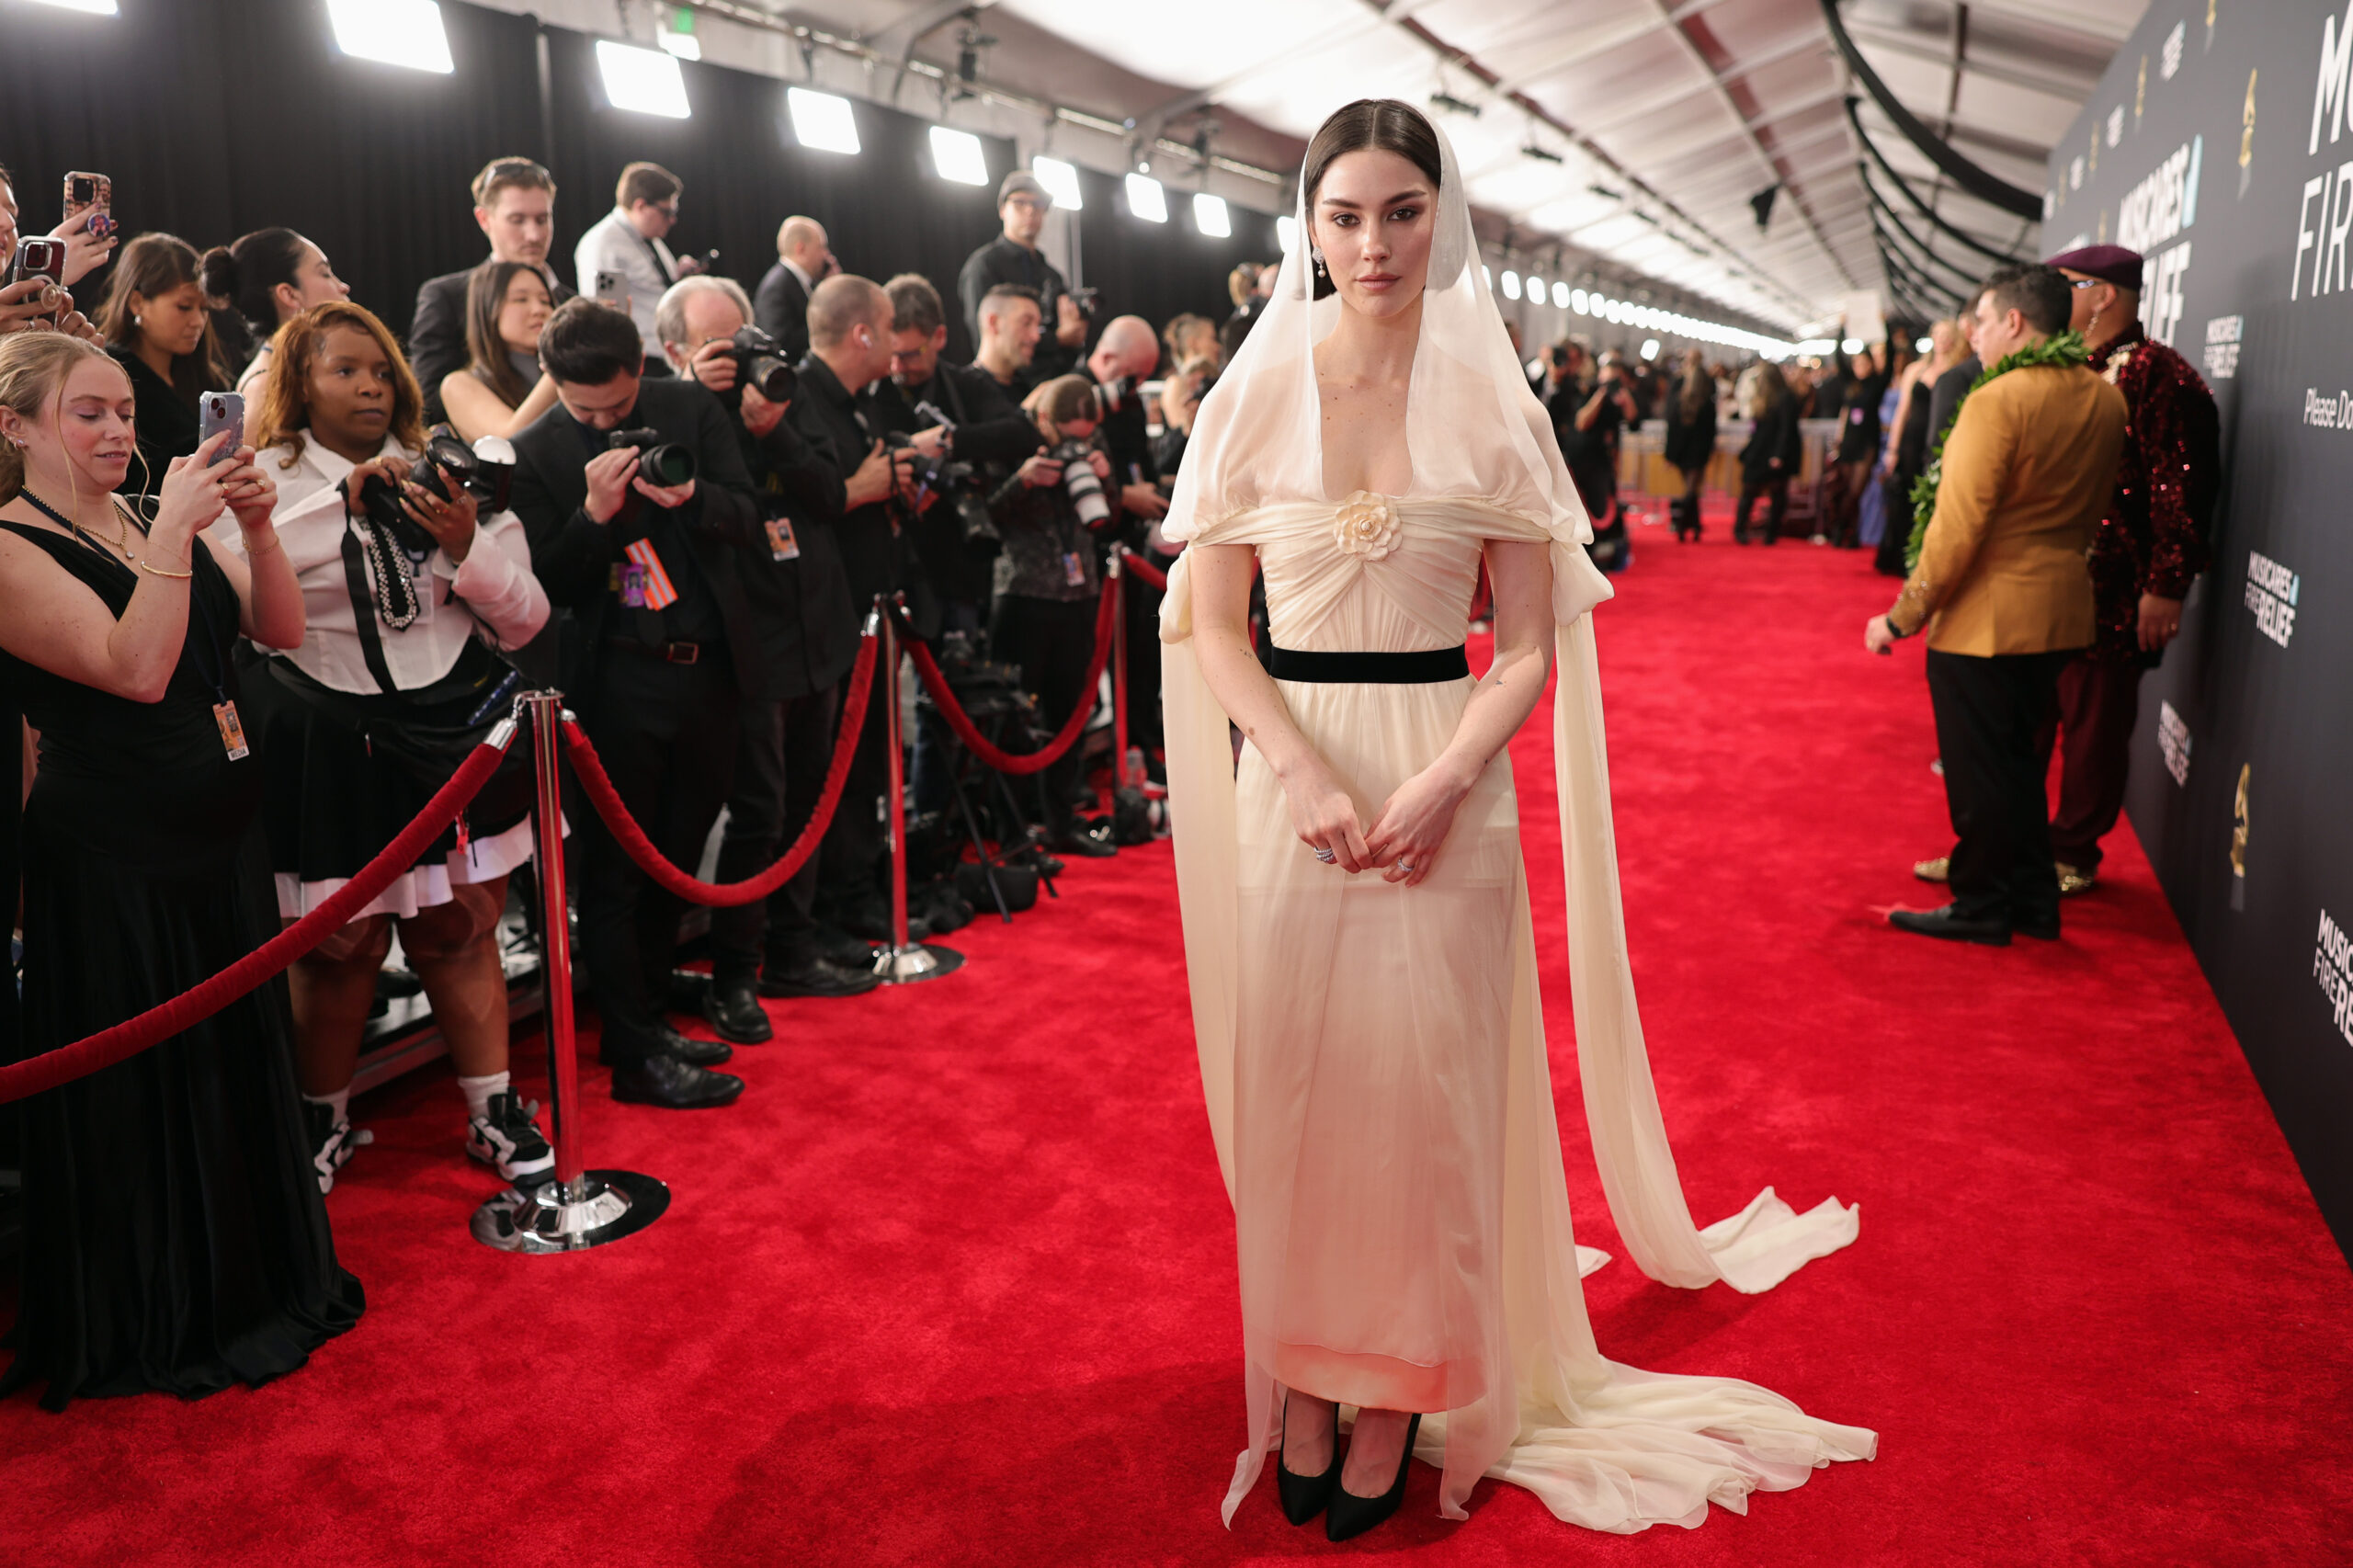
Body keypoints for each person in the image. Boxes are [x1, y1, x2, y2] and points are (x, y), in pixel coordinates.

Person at [1161, 97, 1870, 1541]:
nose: (1374, 244)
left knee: (1426, 1099)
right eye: (1346, 215)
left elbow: (1532, 647)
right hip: (1290, 784)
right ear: (1307, 223)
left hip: (1446, 775)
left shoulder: (1497, 401)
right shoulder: (1249, 394)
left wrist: (1435, 782)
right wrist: (1296, 767)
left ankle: (1394, 1393)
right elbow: (1216, 626)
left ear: (1445, 214)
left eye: (1401, 213)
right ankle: (1300, 1372)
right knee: (1303, 1085)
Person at [0, 330, 360, 1409]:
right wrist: (175, 529)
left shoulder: (146, 514)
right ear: (15, 425)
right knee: (144, 1081)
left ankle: (254, 1281)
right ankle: (161, 1309)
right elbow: (136, 668)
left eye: (124, 411)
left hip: (219, 847)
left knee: (230, 1069)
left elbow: (283, 631)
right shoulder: (11, 543)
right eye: (88, 413)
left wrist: (250, 519)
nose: (119, 431)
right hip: (116, 863)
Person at [222, 300, 554, 1189]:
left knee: (463, 926)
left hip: (454, 734)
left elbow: (526, 617)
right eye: (344, 369)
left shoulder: (451, 469)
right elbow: (232, 591)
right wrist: (339, 499)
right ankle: (320, 1118)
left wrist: (464, 542)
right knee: (340, 945)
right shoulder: (261, 472)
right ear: (299, 380)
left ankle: (492, 1108)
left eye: (380, 370)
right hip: (323, 734)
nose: (370, 384)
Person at [507, 299, 766, 1108]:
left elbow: (750, 516)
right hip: (617, 679)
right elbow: (544, 586)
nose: (604, 420)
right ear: (553, 386)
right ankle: (630, 1049)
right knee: (618, 870)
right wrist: (594, 515)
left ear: (644, 368)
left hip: (712, 667)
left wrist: (696, 501)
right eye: (586, 409)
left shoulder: (690, 405)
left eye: (619, 405)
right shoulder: (536, 451)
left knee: (679, 853)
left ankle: (651, 1012)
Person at [1917, 245, 2219, 897]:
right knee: (2011, 736)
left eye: (2068, 285)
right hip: (2034, 595)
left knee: (2093, 732)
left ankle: (2070, 853)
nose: (2053, 296)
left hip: (2112, 597)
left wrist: (2166, 584)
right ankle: (1994, 855)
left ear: (2105, 294)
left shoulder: (2158, 375)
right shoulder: (2056, 374)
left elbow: (2181, 491)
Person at [1867, 265, 2128, 945]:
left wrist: (1902, 616)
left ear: (2015, 322)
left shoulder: (1996, 400)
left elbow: (1957, 529)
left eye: (1981, 321)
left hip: (1985, 621)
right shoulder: (2106, 399)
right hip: (2064, 610)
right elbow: (2096, 512)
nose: (1974, 335)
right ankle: (2035, 902)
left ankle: (1982, 903)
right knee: (2019, 768)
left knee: (1984, 773)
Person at [653, 274, 875, 1037]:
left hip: (820, 623)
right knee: (760, 812)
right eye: (720, 348)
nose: (740, 362)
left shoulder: (784, 392)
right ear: (676, 351)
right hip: (751, 641)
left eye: (745, 341)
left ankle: (794, 948)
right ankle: (736, 973)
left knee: (811, 801)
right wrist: (704, 402)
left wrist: (774, 424)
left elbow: (828, 493)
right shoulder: (671, 411)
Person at [785, 276, 923, 942]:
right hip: (824, 622)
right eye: (892, 325)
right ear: (863, 333)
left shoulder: (860, 403)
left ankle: (862, 891)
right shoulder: (801, 396)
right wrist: (859, 490)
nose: (900, 342)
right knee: (831, 769)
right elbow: (819, 499)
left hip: (868, 610)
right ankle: (834, 907)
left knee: (868, 759)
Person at [864, 272, 1040, 639]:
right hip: (886, 564)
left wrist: (949, 440)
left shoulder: (965, 385)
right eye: (893, 354)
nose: (898, 367)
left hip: (957, 566)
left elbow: (1023, 433)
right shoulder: (869, 391)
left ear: (939, 337)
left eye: (911, 354)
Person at [986, 374, 1117, 858]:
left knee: (1071, 715)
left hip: (1079, 593)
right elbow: (982, 515)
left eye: (1087, 436)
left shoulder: (1090, 440)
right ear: (1046, 421)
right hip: (1023, 594)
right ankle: (1014, 832)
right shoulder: (1011, 437)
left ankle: (1062, 822)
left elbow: (1111, 513)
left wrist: (1105, 477)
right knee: (1016, 719)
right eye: (1070, 436)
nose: (1077, 446)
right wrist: (1021, 480)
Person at [409, 157, 573, 423]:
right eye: (517, 220)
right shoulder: (447, 296)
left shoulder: (573, 303)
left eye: (542, 220)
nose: (533, 235)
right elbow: (429, 403)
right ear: (484, 219)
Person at [97, 233, 230, 496]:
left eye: (204, 309)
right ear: (137, 303)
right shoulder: (107, 374)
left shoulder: (211, 381)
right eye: (184, 307)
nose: (197, 321)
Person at [199, 229, 350, 422]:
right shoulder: (264, 387)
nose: (343, 286)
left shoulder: (305, 368)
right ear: (289, 294)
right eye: (325, 273)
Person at [957, 171, 1086, 384]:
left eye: (1038, 205)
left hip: (1051, 384)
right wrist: (1058, 339)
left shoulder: (1051, 275)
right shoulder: (984, 265)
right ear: (1002, 210)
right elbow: (986, 339)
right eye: (1020, 203)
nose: (1030, 211)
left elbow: (1069, 340)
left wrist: (1073, 337)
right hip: (1003, 385)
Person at [574, 162, 702, 366]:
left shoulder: (649, 240)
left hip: (664, 355)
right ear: (640, 206)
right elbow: (607, 312)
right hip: (642, 360)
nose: (672, 220)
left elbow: (653, 289)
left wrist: (680, 276)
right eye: (667, 213)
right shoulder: (604, 244)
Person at [1876, 320, 1964, 576]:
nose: (1943, 340)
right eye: (1938, 333)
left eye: (1948, 335)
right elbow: (1902, 411)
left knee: (1930, 500)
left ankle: (1924, 561)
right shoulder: (1916, 369)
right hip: (1910, 443)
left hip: (1940, 443)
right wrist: (1892, 449)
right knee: (1903, 498)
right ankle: (1899, 557)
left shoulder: (1959, 370)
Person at [438, 259, 561, 443]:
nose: (539, 310)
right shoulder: (458, 385)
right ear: (488, 308)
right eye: (521, 299)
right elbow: (509, 441)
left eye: (545, 301)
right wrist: (564, 363)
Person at [1733, 359, 1802, 544]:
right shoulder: (1763, 397)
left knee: (1776, 493)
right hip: (1760, 450)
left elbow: (1786, 429)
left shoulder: (1784, 397)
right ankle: (1741, 528)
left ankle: (1771, 532)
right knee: (1751, 490)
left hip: (1774, 452)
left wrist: (1779, 454)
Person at [1826, 344, 1886, 547]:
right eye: (1856, 363)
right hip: (1848, 443)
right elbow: (1839, 359)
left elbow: (1887, 367)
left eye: (1864, 362)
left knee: (1855, 490)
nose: (1860, 366)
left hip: (1867, 444)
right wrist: (1843, 330)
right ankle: (1850, 533)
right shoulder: (1850, 384)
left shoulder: (1877, 385)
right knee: (1846, 489)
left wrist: (1884, 328)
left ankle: (1841, 528)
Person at [752, 215, 833, 360]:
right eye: (821, 246)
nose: (826, 254)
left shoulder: (804, 282)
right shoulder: (776, 286)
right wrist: (824, 326)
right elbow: (778, 343)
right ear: (801, 248)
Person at [1661, 347, 1715, 541]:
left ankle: (1686, 526)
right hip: (1698, 446)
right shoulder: (1708, 388)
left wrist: (1670, 453)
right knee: (1692, 488)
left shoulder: (1678, 387)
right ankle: (1692, 525)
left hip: (1684, 445)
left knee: (1690, 487)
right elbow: (1711, 426)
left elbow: (1672, 423)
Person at [971, 281, 1042, 394]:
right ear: (994, 323)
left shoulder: (1026, 388)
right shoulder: (963, 393)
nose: (1036, 337)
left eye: (1038, 326)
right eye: (1026, 323)